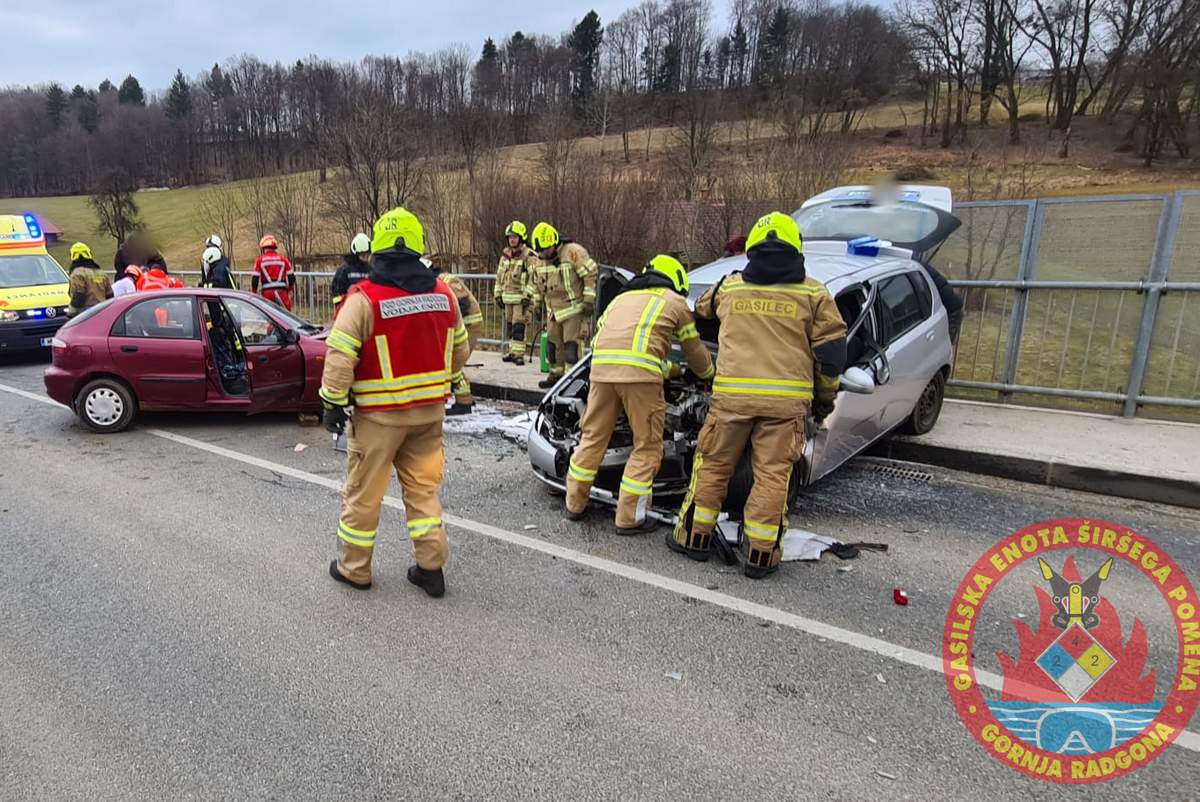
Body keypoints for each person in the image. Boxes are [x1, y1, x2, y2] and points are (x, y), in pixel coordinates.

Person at [668, 212, 848, 579]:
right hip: (785, 404)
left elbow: (700, 314)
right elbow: (831, 356)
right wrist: (825, 398)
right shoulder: (814, 294)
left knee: (714, 465)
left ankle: (694, 538)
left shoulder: (730, 288)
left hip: (732, 397)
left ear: (750, 250)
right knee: (772, 476)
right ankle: (761, 555)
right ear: (796, 249)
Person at [319, 207, 470, 597]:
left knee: (364, 495)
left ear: (378, 251)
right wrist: (445, 381)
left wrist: (332, 403)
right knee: (422, 492)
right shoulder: (444, 295)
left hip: (378, 421)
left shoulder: (364, 299)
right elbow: (461, 349)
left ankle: (354, 569)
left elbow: (340, 355)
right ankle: (431, 569)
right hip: (429, 416)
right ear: (418, 248)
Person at [565, 255, 714, 534]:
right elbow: (694, 351)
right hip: (639, 380)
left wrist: (670, 370)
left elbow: (621, 346)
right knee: (647, 446)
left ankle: (574, 502)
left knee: (593, 438)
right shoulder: (674, 301)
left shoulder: (619, 300)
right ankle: (629, 518)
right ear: (677, 280)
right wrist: (707, 374)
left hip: (600, 372)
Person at [527, 222, 598, 389]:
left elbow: (589, 276)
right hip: (553, 311)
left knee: (571, 347)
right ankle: (556, 375)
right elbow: (537, 284)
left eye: (545, 250)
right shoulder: (541, 259)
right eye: (540, 251)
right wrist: (535, 304)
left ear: (553, 243)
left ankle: (572, 381)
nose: (543, 254)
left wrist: (588, 301)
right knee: (553, 346)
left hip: (573, 310)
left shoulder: (573, 252)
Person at [425, 258, 482, 415]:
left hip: (469, 325)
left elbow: (462, 304)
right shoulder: (436, 283)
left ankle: (464, 403)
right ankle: (465, 399)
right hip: (462, 325)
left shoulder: (446, 280)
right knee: (453, 363)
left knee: (454, 364)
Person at [494, 221, 534, 365]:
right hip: (507, 298)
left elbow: (534, 278)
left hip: (521, 299)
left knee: (519, 326)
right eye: (510, 237)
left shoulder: (528, 255)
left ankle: (518, 355)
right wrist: (497, 294)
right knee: (510, 326)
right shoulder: (505, 255)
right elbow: (500, 276)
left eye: (515, 237)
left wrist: (528, 296)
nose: (512, 239)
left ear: (521, 238)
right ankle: (512, 352)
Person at [330, 233, 372, 316]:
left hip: (366, 311)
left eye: (367, 254)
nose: (365, 257)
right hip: (349, 312)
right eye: (362, 254)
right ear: (355, 253)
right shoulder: (344, 270)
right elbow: (337, 293)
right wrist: (341, 309)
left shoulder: (370, 269)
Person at [67, 242, 113, 315]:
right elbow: (110, 295)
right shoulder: (101, 273)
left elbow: (79, 296)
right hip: (103, 310)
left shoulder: (77, 274)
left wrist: (71, 313)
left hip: (86, 313)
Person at [252, 234, 295, 310]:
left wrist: (254, 292)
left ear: (263, 248)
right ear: (275, 248)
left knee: (268, 315)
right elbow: (291, 277)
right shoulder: (284, 259)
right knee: (285, 316)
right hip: (282, 292)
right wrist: (290, 289)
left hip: (267, 293)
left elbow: (255, 279)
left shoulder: (260, 260)